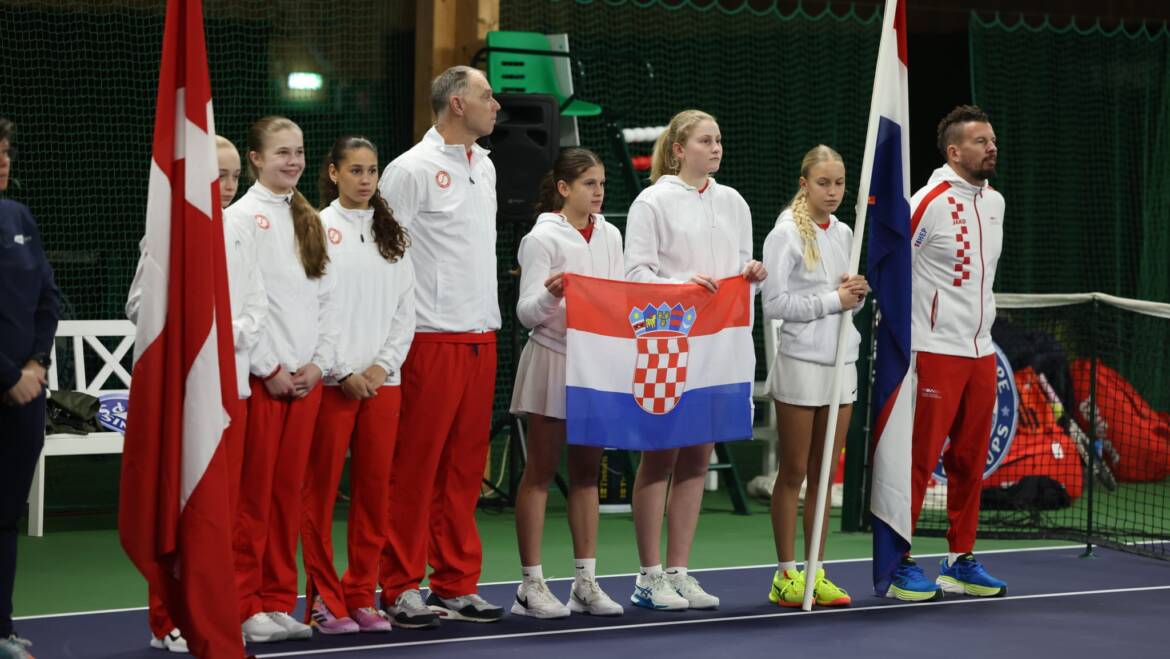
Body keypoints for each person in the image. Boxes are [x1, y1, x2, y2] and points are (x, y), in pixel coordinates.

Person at [376, 65, 504, 627]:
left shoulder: (488, 166)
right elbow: (385, 257)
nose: (495, 104)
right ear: (457, 104)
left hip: (482, 336)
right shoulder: (409, 170)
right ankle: (401, 585)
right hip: (428, 339)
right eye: (485, 95)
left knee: (464, 470)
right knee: (415, 470)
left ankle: (455, 583)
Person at [623, 109, 766, 611]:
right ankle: (648, 575)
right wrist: (679, 288)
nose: (717, 148)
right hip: (667, 347)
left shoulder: (734, 202)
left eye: (720, 140)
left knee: (697, 460)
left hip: (719, 350)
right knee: (659, 458)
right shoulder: (652, 201)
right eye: (706, 140)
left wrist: (749, 271)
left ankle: (679, 572)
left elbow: (740, 267)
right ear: (680, 149)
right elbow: (634, 273)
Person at [125, 134, 263, 652]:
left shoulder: (243, 231)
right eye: (217, 176)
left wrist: (219, 339)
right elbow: (140, 308)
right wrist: (198, 339)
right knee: (179, 512)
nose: (226, 186)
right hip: (185, 400)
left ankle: (208, 612)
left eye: (232, 176)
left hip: (233, 395)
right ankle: (167, 619)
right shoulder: (166, 236)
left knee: (220, 514)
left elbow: (256, 310)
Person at [226, 116, 338, 641]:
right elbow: (244, 306)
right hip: (263, 383)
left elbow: (324, 300)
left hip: (305, 384)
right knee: (253, 500)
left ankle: (275, 599)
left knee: (287, 497)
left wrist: (318, 363)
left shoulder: (307, 217)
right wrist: (269, 368)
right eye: (281, 153)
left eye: (298, 152)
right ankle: (244, 603)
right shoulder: (240, 219)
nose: (292, 161)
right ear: (255, 159)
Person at [891, 104, 1007, 601]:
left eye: (993, 139)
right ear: (954, 150)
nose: (992, 147)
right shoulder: (928, 201)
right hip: (933, 350)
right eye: (981, 141)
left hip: (981, 351)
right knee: (918, 460)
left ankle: (959, 560)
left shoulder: (996, 202)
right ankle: (898, 563)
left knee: (969, 460)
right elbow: (894, 267)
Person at [300, 136, 414, 634]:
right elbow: (314, 307)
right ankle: (325, 601)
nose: (366, 179)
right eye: (356, 170)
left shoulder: (394, 235)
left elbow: (405, 311)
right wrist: (342, 371)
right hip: (332, 385)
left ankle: (360, 594)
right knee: (319, 495)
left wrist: (381, 368)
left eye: (372, 171)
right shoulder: (317, 228)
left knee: (374, 495)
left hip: (383, 386)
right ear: (332, 173)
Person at [509, 148, 625, 619]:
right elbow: (525, 314)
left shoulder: (612, 234)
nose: (598, 192)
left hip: (595, 366)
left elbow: (618, 298)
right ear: (563, 188)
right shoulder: (542, 237)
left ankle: (585, 583)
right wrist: (550, 296)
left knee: (584, 476)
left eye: (600, 183)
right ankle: (530, 586)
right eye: (588, 184)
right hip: (553, 360)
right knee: (539, 472)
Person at [760, 145, 868, 608]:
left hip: (843, 366)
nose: (833, 192)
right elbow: (773, 305)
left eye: (839, 183)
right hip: (801, 366)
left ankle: (815, 573)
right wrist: (833, 301)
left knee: (824, 476)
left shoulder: (846, 232)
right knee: (795, 472)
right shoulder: (784, 233)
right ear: (804, 183)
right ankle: (785, 574)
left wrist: (855, 295)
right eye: (824, 183)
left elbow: (846, 297)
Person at [0, 117, 60, 659]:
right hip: (8, 387)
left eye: (4, 152)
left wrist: (35, 363)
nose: (2, 162)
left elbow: (47, 296)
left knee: (3, 516)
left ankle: (0, 629)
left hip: (24, 399)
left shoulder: (18, 216)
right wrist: (8, 375)